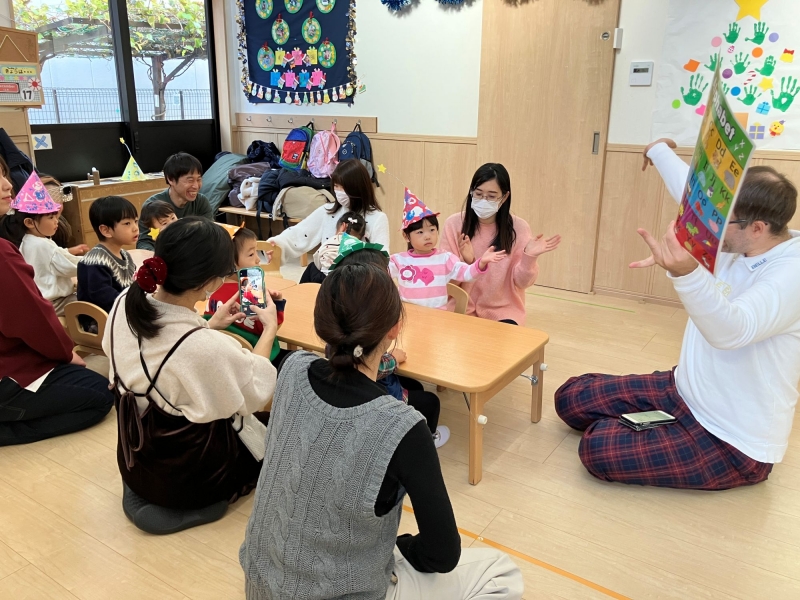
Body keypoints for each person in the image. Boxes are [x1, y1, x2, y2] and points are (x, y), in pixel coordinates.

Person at [240, 263, 524, 600]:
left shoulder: (291, 368)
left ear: (321, 324)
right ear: (394, 328)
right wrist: (402, 547)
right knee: (501, 571)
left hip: (260, 583)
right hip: (345, 592)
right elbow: (443, 555)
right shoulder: (403, 426)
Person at [555, 138, 800, 490]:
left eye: (720, 220)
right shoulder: (743, 238)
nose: (709, 224)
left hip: (731, 439)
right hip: (682, 388)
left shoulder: (790, 273)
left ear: (757, 228)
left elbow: (733, 331)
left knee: (598, 446)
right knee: (570, 397)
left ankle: (654, 432)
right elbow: (689, 189)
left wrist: (687, 273)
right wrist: (657, 150)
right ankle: (657, 427)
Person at [103, 217, 279, 512]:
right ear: (211, 283)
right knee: (278, 429)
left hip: (138, 455)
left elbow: (163, 355)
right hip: (190, 480)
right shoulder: (202, 348)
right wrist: (270, 327)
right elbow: (255, 391)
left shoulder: (125, 302)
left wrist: (209, 324)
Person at [0, 171, 114, 445]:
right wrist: (64, 352)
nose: (7, 184)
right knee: (101, 393)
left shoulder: (24, 243)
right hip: (9, 373)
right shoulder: (5, 252)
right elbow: (31, 317)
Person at [440, 163, 561, 325]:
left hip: (503, 311)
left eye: (491, 196)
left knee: (504, 340)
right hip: (461, 309)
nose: (483, 200)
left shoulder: (519, 228)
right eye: (478, 194)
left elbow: (522, 283)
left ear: (504, 197)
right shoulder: (454, 224)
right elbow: (445, 283)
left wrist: (529, 257)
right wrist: (466, 263)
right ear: (471, 192)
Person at [390, 189, 506, 309]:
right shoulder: (398, 260)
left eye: (432, 230)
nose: (428, 236)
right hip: (408, 315)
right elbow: (381, 274)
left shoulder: (445, 258)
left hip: (437, 316)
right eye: (420, 232)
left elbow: (467, 274)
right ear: (406, 236)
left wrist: (481, 262)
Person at [268, 159, 390, 272]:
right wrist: (277, 244)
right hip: (326, 275)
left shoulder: (377, 218)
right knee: (311, 271)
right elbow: (300, 232)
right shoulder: (327, 211)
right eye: (336, 186)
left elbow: (382, 258)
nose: (339, 191)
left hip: (357, 278)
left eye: (343, 187)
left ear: (358, 188)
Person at [204, 226, 288, 365]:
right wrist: (277, 303)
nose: (258, 259)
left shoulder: (211, 289)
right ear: (230, 262)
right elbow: (272, 326)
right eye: (251, 254)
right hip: (259, 358)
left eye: (257, 252)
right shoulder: (250, 291)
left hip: (224, 357)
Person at [0, 179, 81, 316]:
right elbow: (70, 267)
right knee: (88, 297)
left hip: (37, 301)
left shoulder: (27, 241)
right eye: (50, 218)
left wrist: (68, 252)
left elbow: (53, 258)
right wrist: (95, 260)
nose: (56, 221)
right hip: (55, 302)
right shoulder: (42, 244)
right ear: (29, 222)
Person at [136, 152, 212, 251]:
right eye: (190, 180)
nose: (196, 186)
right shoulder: (152, 206)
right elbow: (144, 241)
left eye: (198, 180)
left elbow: (210, 233)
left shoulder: (201, 202)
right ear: (171, 179)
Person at [77, 196, 139, 315]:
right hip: (100, 321)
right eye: (127, 223)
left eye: (135, 221)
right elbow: (104, 299)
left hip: (123, 312)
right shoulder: (95, 261)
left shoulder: (125, 255)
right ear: (106, 230)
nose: (135, 228)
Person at [300, 210, 366, 283]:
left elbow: (317, 258)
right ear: (362, 236)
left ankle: (301, 288)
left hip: (326, 281)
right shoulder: (362, 247)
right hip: (350, 282)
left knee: (312, 266)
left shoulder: (333, 240)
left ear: (343, 226)